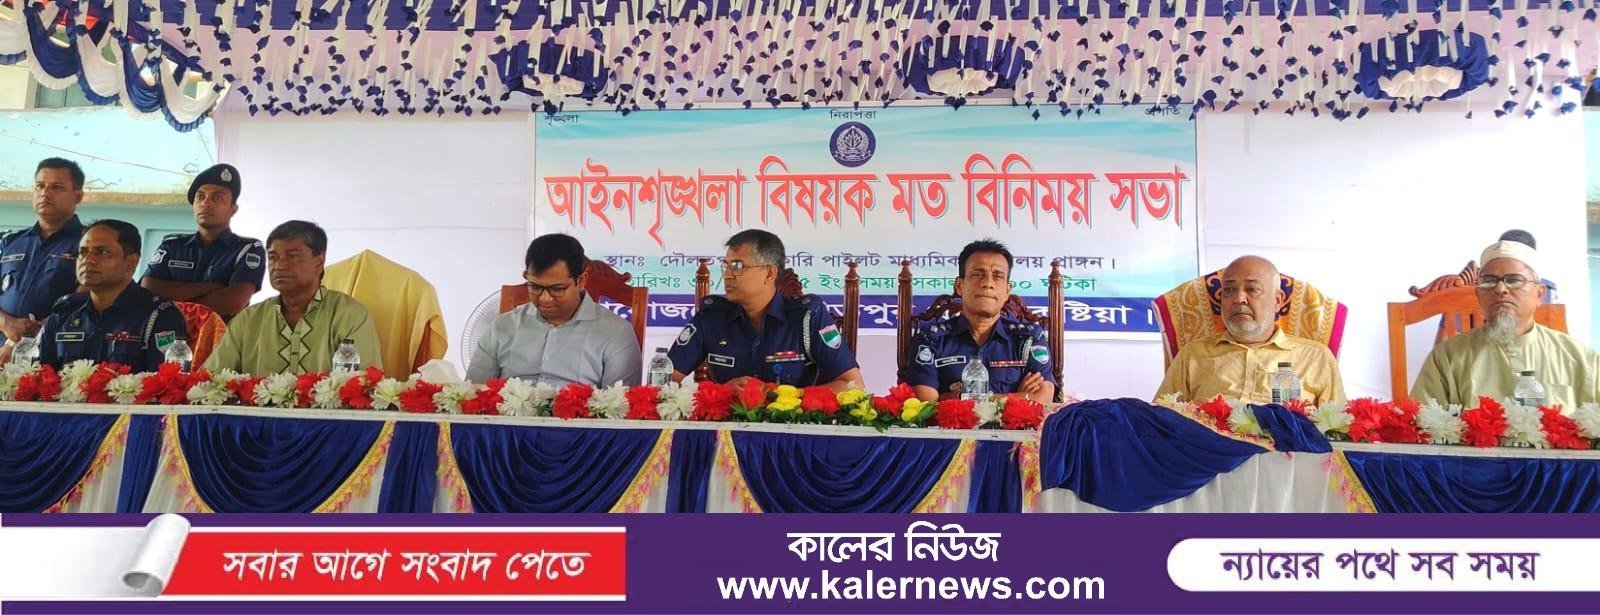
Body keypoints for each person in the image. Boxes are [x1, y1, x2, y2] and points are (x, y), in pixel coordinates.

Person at [1412, 240, 1600, 412]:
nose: (1500, 289)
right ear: (1478, 295)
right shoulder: (1447, 357)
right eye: (1488, 281)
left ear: (1539, 294)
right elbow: (1422, 424)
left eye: (1514, 280)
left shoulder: (1579, 357)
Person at [667, 230, 864, 391]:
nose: (727, 275)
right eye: (725, 265)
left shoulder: (807, 317)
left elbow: (853, 386)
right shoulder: (712, 316)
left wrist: (786, 396)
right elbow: (664, 382)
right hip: (728, 426)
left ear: (769, 273)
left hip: (791, 426)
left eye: (737, 266)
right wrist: (722, 393)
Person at [1155, 255, 1346, 406]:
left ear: (1277, 301)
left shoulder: (1316, 357)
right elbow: (1159, 420)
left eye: (1252, 289)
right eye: (1229, 290)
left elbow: (1339, 430)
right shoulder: (1193, 355)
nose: (1239, 299)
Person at [203, 220, 380, 375]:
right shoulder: (248, 320)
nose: (279, 266)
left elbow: (362, 386)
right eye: (273, 257)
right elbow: (209, 381)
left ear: (318, 262)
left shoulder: (349, 315)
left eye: (292, 256)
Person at [466, 234, 641, 386]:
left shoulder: (615, 333)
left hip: (579, 415)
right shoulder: (502, 327)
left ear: (581, 280)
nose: (545, 298)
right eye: (535, 287)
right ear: (526, 276)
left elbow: (620, 406)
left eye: (557, 289)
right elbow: (474, 392)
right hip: (507, 414)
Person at [900, 239, 1055, 404]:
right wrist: (1019, 398)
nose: (988, 283)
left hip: (1012, 424)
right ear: (960, 285)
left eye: (997, 276)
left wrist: (960, 398)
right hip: (953, 424)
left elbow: (1042, 398)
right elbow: (926, 406)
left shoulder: (1028, 339)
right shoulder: (931, 340)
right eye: (978, 274)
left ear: (1007, 291)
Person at [36, 220, 188, 372]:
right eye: (82, 252)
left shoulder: (159, 315)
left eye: (102, 252)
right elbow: (39, 374)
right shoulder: (65, 310)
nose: (88, 260)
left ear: (131, 262)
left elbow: (166, 381)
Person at [141, 164, 266, 319]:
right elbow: (149, 288)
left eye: (217, 198)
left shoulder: (247, 249)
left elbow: (233, 302)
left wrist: (173, 300)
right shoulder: (172, 245)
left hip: (222, 334)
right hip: (169, 333)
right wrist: (211, 287)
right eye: (200, 197)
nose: (206, 203)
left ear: (233, 209)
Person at [0, 158, 88, 345]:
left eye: (56, 187)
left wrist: (22, 340)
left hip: (53, 349)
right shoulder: (10, 242)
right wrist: (7, 323)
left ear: (78, 196)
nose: (45, 193)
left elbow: (85, 299)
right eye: (40, 186)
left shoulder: (89, 244)